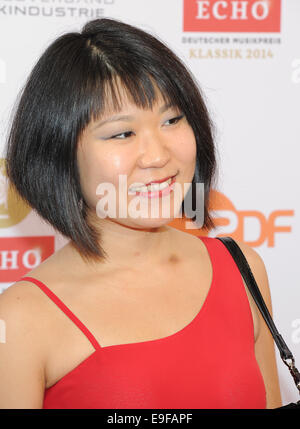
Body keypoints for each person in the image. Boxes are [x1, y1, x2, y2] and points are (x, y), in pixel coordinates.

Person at [0, 18, 282, 409]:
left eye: (171, 120)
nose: (158, 155)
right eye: (122, 133)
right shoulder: (19, 319)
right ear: (59, 153)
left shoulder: (241, 268)